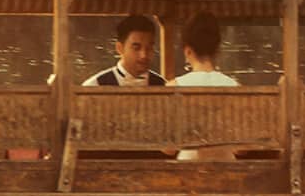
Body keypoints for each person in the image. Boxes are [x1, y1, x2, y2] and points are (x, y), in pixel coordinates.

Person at [171, 11, 238, 161]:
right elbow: (242, 150)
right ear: (218, 50)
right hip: (227, 169)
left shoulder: (173, 87)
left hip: (186, 170)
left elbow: (168, 149)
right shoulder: (234, 87)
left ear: (187, 51)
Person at [86, 13, 165, 87]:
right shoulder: (95, 85)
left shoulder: (164, 86)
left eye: (149, 48)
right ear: (119, 48)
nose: (143, 55)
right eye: (136, 48)